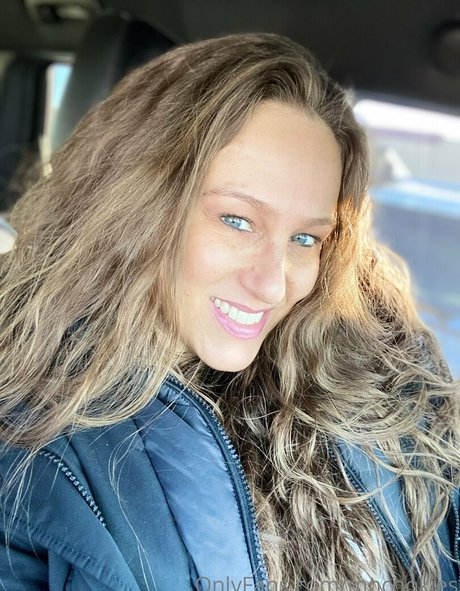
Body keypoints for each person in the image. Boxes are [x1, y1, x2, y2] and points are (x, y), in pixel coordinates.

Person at [0, 32, 458, 591]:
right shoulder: (35, 446)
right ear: (136, 205)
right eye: (237, 221)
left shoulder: (380, 371)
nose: (272, 285)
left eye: (306, 239)